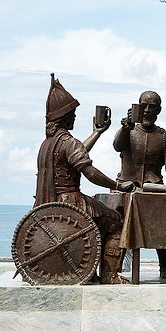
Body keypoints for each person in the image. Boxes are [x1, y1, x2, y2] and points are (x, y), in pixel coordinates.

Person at [35, 74, 133, 284]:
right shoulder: (67, 142)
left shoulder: (47, 144)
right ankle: (109, 275)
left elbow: (77, 152)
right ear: (64, 117)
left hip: (49, 203)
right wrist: (118, 185)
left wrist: (97, 133)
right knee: (116, 223)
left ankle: (90, 271)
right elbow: (90, 173)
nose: (74, 118)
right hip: (71, 202)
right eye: (72, 114)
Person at [113, 90, 166, 280]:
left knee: (164, 225)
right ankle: (114, 268)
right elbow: (117, 145)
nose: (147, 110)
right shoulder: (128, 131)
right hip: (126, 186)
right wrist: (125, 128)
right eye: (143, 106)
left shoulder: (165, 137)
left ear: (158, 110)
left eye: (151, 107)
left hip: (154, 188)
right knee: (118, 226)